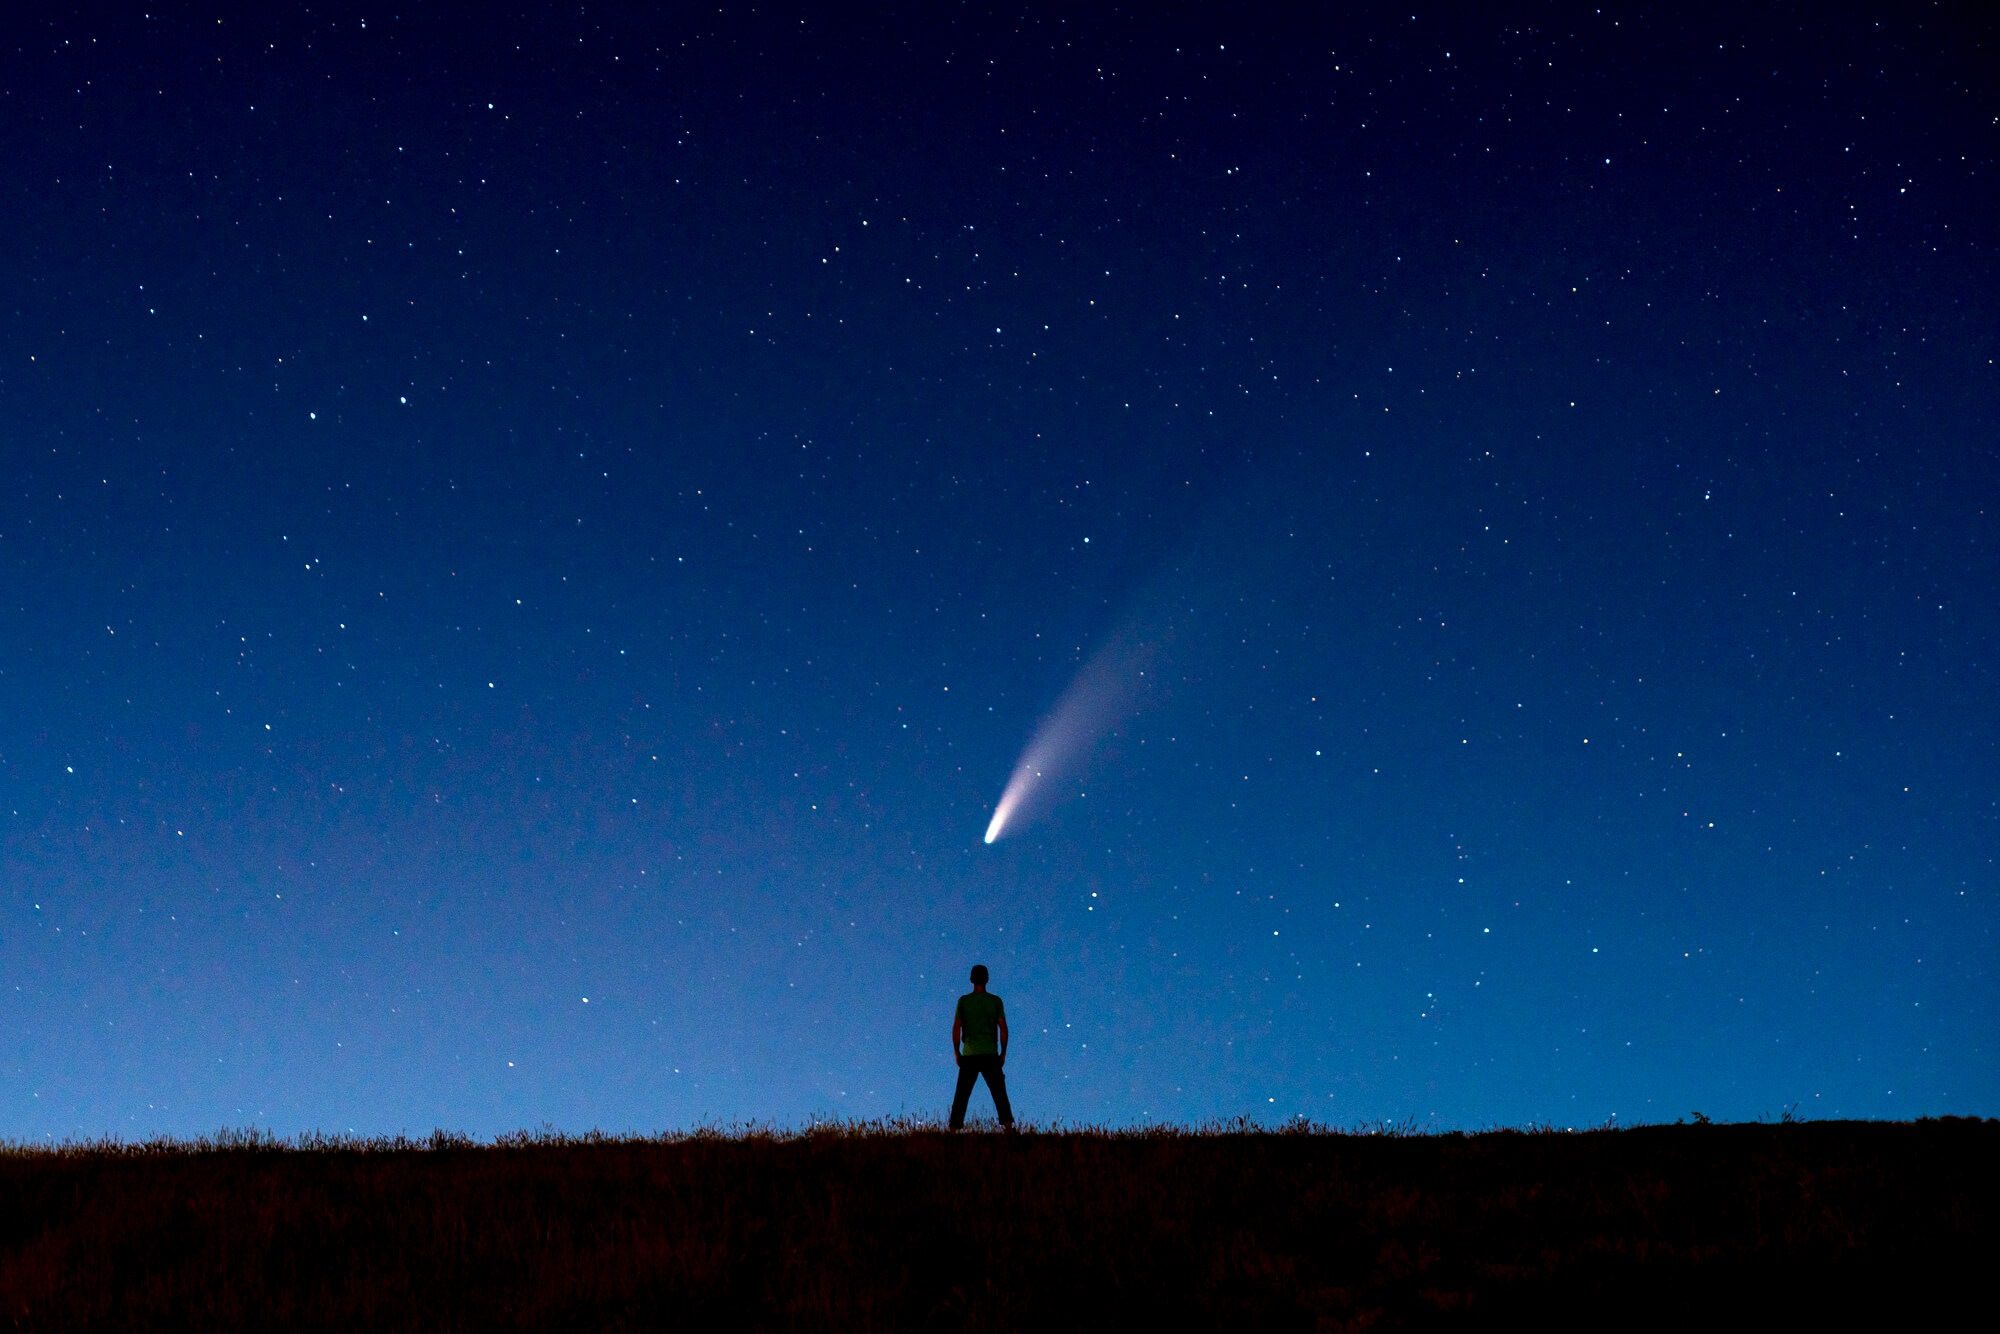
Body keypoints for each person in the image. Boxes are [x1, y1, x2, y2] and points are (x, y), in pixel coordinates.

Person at [949, 963, 1014, 1130]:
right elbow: (1003, 1027)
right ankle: (1007, 1126)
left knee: (962, 1094)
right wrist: (1003, 1053)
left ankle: (954, 1129)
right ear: (987, 980)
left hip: (969, 1053)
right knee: (999, 1092)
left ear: (971, 979)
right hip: (990, 1053)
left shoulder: (964, 1001)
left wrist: (957, 1052)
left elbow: (957, 1027)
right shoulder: (995, 1001)